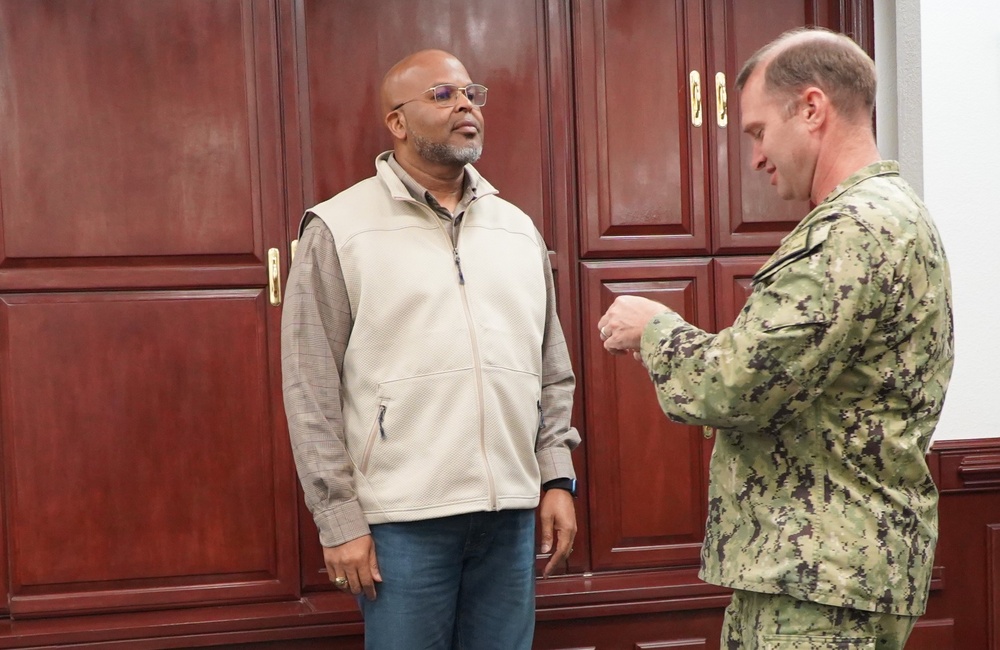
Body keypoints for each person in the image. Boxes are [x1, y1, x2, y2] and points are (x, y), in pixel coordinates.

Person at [598, 28, 953, 650]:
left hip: (820, 583)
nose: (756, 157)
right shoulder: (892, 214)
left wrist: (654, 330)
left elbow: (737, 386)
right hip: (836, 570)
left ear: (812, 109)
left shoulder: (850, 231)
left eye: (758, 132)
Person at [280, 49, 579, 649]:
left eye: (471, 93)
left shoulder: (517, 228)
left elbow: (551, 371)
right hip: (401, 525)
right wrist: (338, 519)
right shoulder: (338, 228)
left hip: (511, 517)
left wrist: (556, 479)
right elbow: (309, 386)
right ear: (397, 122)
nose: (466, 104)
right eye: (443, 95)